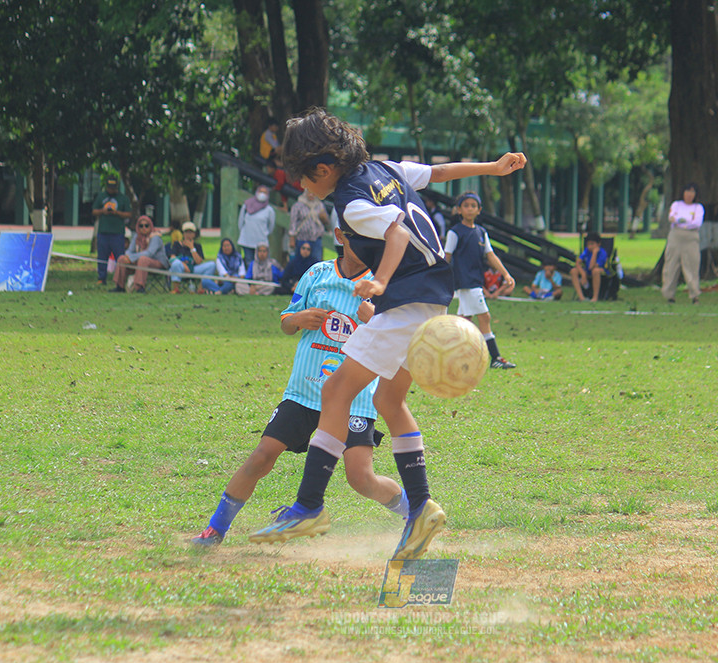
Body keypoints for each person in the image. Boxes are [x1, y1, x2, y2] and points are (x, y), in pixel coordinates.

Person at [246, 108, 526, 561]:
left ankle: (309, 505)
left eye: (301, 178)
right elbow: (437, 172)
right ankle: (420, 508)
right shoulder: (384, 169)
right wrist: (491, 168)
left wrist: (379, 282)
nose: (301, 187)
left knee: (336, 389)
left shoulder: (352, 203)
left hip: (407, 300)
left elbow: (395, 233)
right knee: (388, 402)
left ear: (322, 169)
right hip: (436, 294)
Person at [192, 229, 409, 546]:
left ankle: (415, 513)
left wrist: (374, 318)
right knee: (262, 456)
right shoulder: (317, 273)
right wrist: (299, 318)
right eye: (356, 235)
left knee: (361, 477)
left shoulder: (382, 282)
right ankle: (214, 529)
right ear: (340, 235)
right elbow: (286, 322)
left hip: (354, 396)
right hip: (306, 390)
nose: (365, 243)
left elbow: (398, 337)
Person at [444, 191, 517, 370]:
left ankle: (454, 356)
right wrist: (439, 278)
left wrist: (506, 274)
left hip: (475, 281)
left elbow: (490, 255)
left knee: (466, 320)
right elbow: (446, 257)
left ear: (479, 210)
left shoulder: (481, 232)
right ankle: (495, 358)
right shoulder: (455, 232)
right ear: (459, 210)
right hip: (466, 282)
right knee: (484, 317)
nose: (470, 209)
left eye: (473, 206)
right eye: (466, 205)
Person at [661, 182, 703, 304]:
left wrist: (682, 221)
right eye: (687, 191)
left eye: (692, 192)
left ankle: (694, 295)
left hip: (691, 238)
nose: (689, 194)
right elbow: (672, 218)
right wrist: (683, 221)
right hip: (675, 237)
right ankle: (669, 295)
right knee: (671, 265)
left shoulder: (698, 207)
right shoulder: (676, 205)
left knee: (692, 266)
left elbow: (696, 223)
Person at [110, 215, 168, 293]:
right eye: (141, 226)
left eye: (146, 226)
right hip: (140, 262)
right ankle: (120, 286)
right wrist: (127, 256)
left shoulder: (155, 237)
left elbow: (149, 253)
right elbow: (130, 250)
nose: (144, 228)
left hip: (157, 263)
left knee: (143, 259)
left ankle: (140, 287)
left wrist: (131, 258)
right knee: (121, 258)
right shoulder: (137, 237)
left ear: (150, 226)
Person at [91, 176, 132, 286]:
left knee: (120, 257)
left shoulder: (123, 198)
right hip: (103, 232)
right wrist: (102, 211)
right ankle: (101, 278)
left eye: (113, 188)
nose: (111, 190)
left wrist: (117, 213)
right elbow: (94, 211)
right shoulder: (101, 196)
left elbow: (129, 214)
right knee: (102, 256)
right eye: (110, 188)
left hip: (117, 233)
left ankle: (120, 279)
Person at [168, 221, 214, 293]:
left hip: (193, 269)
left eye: (191, 232)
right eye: (186, 232)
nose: (188, 234)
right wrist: (184, 265)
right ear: (183, 233)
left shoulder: (197, 246)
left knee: (212, 265)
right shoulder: (177, 244)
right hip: (181, 269)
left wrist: (192, 248)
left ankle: (201, 288)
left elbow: (198, 261)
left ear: (194, 234)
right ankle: (176, 289)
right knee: (175, 263)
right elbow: (172, 258)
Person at [237, 184, 276, 265]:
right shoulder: (246, 206)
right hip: (246, 240)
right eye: (260, 191)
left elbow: (271, 226)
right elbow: (240, 222)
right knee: (249, 262)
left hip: (261, 241)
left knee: (261, 263)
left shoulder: (269, 210)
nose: (262, 194)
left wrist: (265, 233)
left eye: (264, 192)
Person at [288, 190, 329, 264]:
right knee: (300, 263)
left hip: (316, 240)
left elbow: (326, 222)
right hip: (302, 239)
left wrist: (324, 217)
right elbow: (293, 223)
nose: (311, 195)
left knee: (316, 263)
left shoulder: (319, 205)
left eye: (313, 193)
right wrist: (292, 239)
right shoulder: (298, 206)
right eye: (309, 193)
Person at [570, 232, 612, 302]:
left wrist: (594, 253)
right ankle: (581, 297)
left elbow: (591, 267)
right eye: (588, 244)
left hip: (600, 270)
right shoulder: (586, 250)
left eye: (592, 244)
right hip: (587, 271)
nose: (590, 247)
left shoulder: (602, 253)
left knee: (595, 271)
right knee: (573, 271)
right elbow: (578, 262)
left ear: (598, 244)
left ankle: (595, 297)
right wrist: (583, 274)